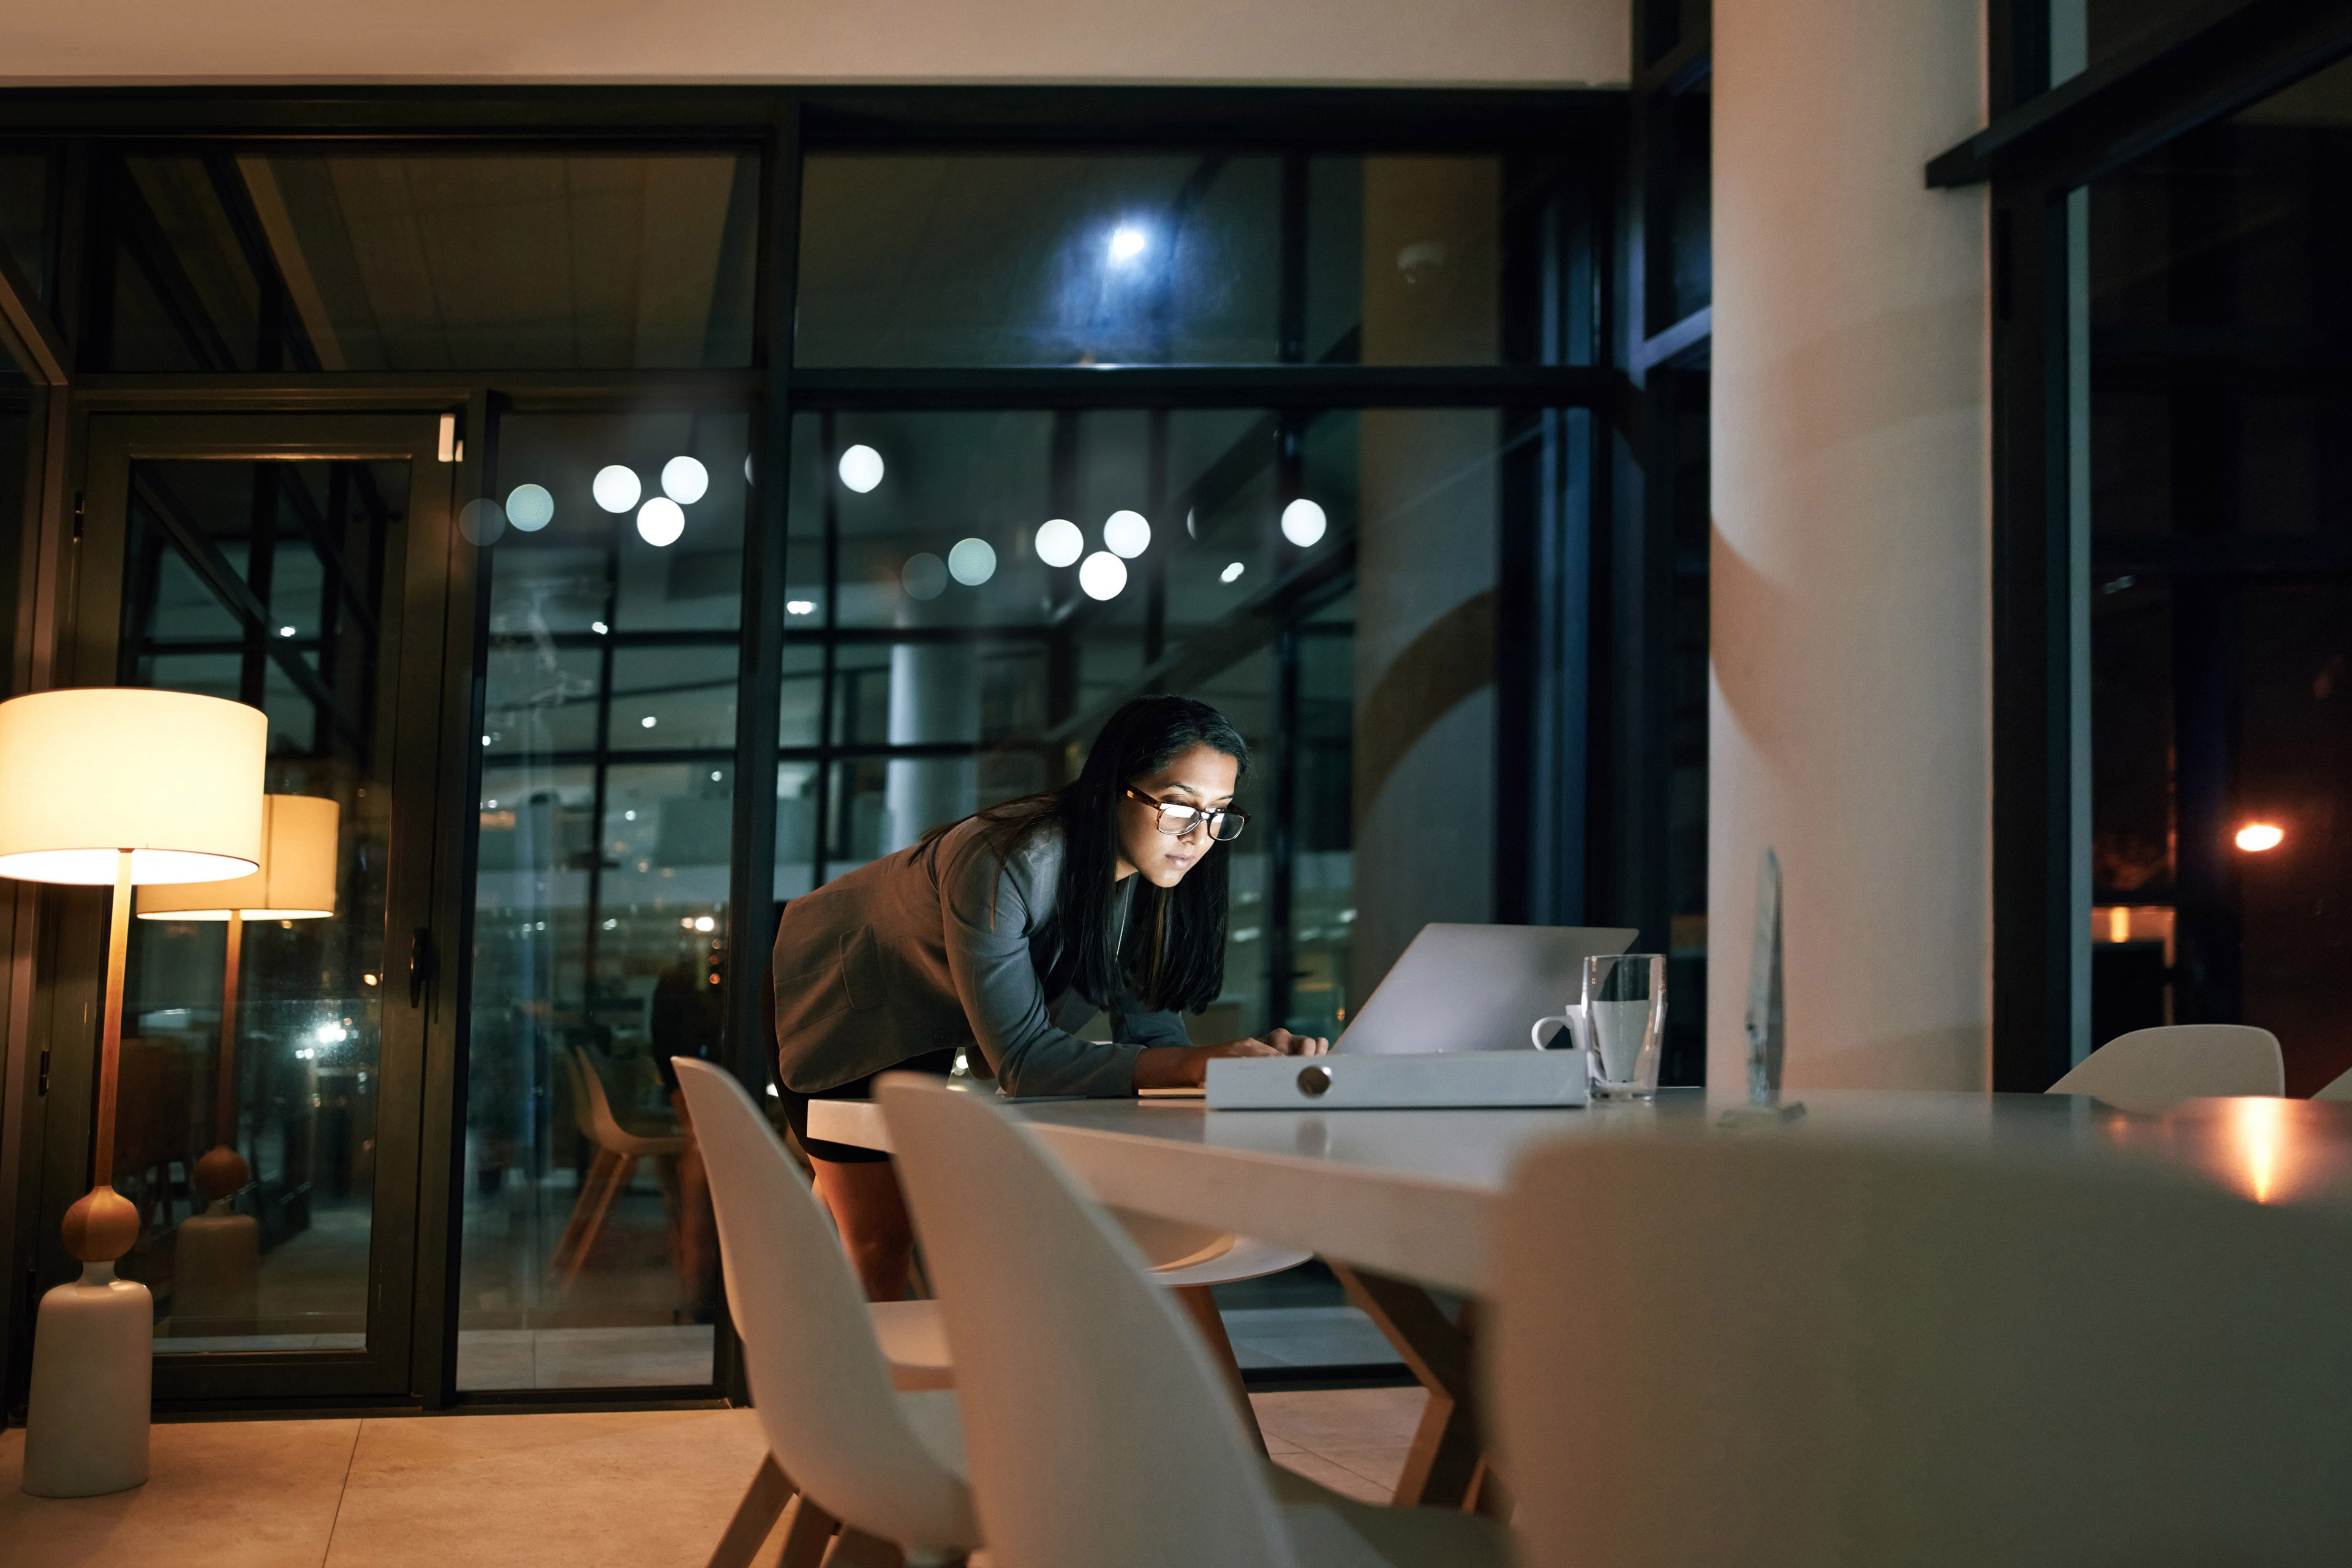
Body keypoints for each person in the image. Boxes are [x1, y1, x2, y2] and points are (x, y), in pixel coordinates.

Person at [771, 693, 1327, 1299]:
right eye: (1177, 806)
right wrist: (1206, 1062)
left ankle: (805, 1349)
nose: (1198, 836)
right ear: (1114, 788)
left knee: (847, 1223)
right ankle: (843, 1386)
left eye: (1218, 812)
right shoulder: (1006, 859)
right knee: (880, 1240)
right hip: (848, 987)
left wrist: (1251, 1070)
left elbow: (1156, 1041)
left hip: (933, 1011)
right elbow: (1026, 1062)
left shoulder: (1153, 879)